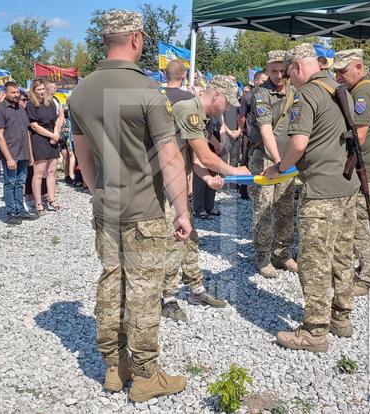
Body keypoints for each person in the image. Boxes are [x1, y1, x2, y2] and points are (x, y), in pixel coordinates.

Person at [68, 10, 192, 402]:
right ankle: (144, 375)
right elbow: (170, 158)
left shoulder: (80, 92)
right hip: (143, 210)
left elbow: (82, 153)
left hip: (107, 206)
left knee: (110, 280)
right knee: (142, 290)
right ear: (136, 39)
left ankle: (112, 365)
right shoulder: (146, 92)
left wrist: (97, 191)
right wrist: (183, 211)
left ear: (106, 40)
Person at [263, 43, 359, 352]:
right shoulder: (338, 87)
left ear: (295, 68)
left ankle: (315, 331)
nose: (289, 78)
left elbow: (299, 142)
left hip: (321, 191)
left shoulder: (306, 95)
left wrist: (281, 166)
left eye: (289, 72)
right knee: (342, 254)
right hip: (347, 184)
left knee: (315, 261)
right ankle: (341, 317)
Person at [161, 74, 251, 322]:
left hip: (178, 187)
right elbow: (207, 156)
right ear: (216, 96)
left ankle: (196, 289)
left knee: (190, 239)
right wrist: (235, 171)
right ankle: (166, 297)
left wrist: (208, 178)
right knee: (174, 241)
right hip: (166, 190)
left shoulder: (197, 114)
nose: (227, 110)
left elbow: (196, 158)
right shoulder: (189, 109)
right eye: (227, 104)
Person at [334, 49, 370, 296]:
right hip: (369, 165)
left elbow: (360, 135)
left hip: (366, 167)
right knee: (368, 219)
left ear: (358, 67)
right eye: (336, 71)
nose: (339, 76)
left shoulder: (364, 91)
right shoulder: (365, 88)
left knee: (363, 223)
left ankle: (368, 278)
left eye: (343, 71)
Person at [250, 50, 297, 279]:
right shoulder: (261, 93)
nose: (278, 75)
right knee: (264, 209)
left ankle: (282, 252)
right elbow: (266, 130)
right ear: (267, 70)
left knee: (286, 208)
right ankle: (262, 255)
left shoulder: (295, 91)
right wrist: (278, 162)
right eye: (273, 71)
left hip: (288, 159)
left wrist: (288, 161)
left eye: (282, 71)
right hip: (267, 159)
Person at [0, 81, 38, 225]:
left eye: (18, 92)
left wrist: (30, 154)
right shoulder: (0, 109)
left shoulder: (20, 109)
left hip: (23, 153)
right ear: (5, 93)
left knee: (20, 183)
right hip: (11, 153)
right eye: (13, 92)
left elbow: (26, 132)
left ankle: (20, 210)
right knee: (10, 183)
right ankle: (11, 212)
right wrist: (8, 158)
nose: (16, 95)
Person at [27, 79, 61, 214]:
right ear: (34, 91)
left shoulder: (50, 103)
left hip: (53, 137)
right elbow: (34, 126)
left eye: (42, 89)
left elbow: (58, 118)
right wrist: (51, 136)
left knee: (52, 172)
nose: (41, 92)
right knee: (39, 173)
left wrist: (56, 133)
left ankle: (51, 199)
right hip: (40, 139)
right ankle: (38, 203)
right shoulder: (31, 105)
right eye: (38, 90)